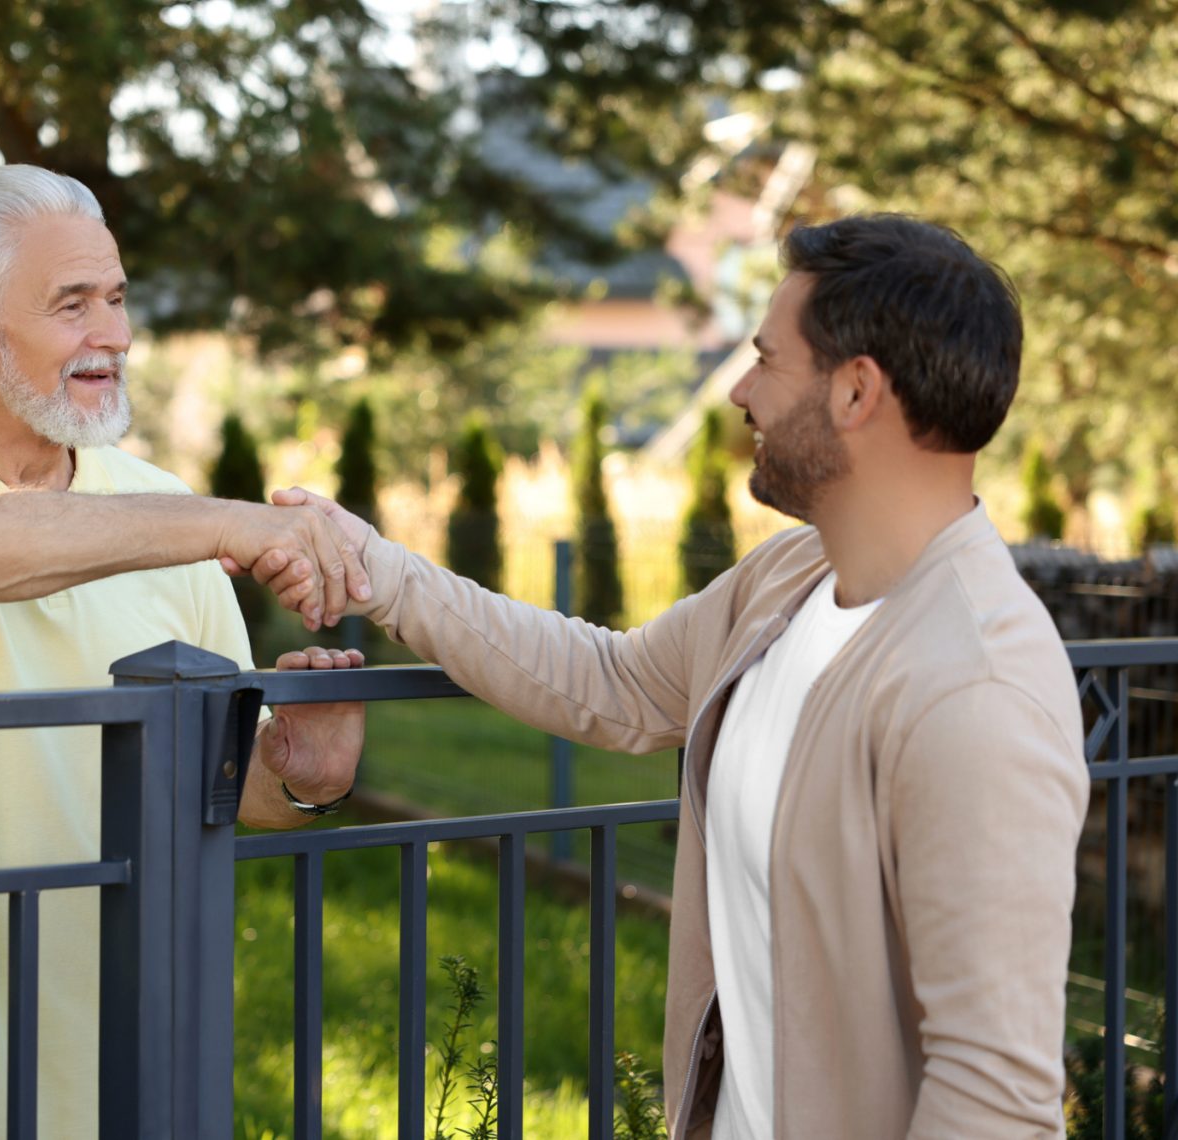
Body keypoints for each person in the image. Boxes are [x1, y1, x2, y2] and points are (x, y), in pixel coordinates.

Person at [248, 216, 1090, 1138]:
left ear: (856, 391)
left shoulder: (976, 693)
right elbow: (608, 678)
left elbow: (995, 1095)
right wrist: (383, 571)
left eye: (768, 360)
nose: (740, 391)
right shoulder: (789, 581)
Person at [0, 164, 368, 1140]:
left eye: (116, 298)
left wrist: (294, 774)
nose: (116, 335)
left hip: (123, 1071)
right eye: (73, 305)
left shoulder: (168, 514)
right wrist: (215, 522)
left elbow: (217, 787)